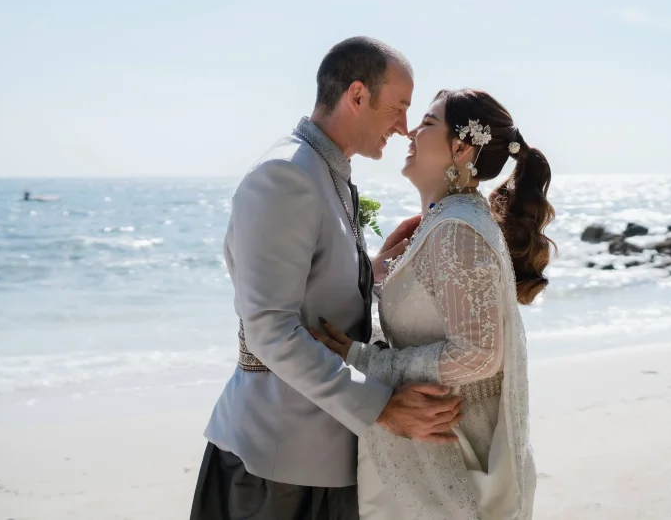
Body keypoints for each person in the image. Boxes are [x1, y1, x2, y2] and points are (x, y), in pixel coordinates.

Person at [191, 38, 465, 520]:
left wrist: (372, 270)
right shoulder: (284, 176)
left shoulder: (326, 171)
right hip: (273, 465)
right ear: (357, 96)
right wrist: (381, 407)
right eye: (399, 108)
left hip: (324, 457)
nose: (404, 128)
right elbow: (270, 328)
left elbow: (314, 296)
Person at [313, 89, 553, 519]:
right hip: (431, 443)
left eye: (426, 124)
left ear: (461, 147)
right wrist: (375, 272)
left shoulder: (457, 229)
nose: (408, 131)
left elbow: (479, 353)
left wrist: (365, 360)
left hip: (450, 448)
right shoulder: (446, 222)